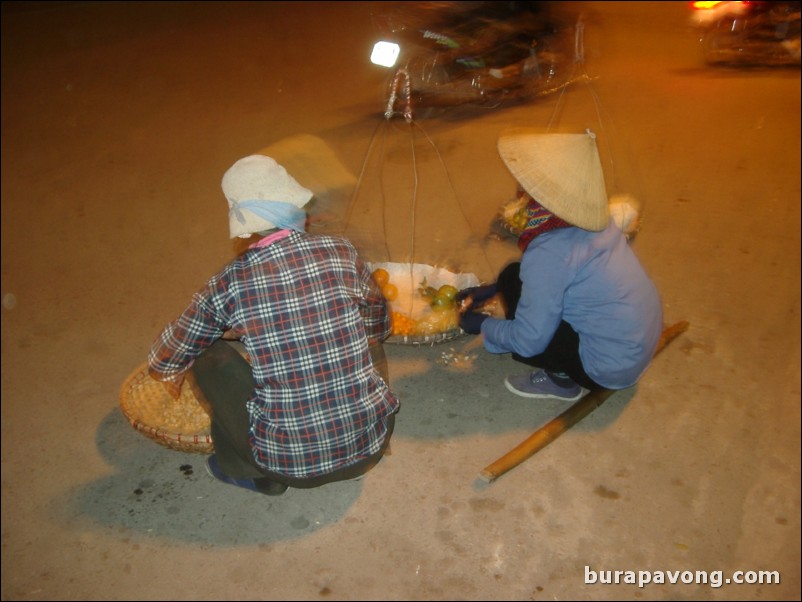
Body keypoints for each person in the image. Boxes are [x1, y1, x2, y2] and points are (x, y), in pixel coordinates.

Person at [148, 154, 399, 496]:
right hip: (372, 445)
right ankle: (350, 431)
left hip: (289, 465)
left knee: (207, 353)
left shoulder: (231, 282)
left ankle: (245, 469)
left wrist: (178, 364)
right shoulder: (340, 250)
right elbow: (378, 323)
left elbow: (165, 356)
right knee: (363, 336)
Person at [458, 129, 663, 401]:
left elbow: (529, 339)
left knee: (527, 307)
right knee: (512, 277)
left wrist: (482, 325)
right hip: (636, 346)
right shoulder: (599, 220)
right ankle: (565, 358)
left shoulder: (549, 250)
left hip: (605, 369)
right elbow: (569, 271)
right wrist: (496, 288)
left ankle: (560, 378)